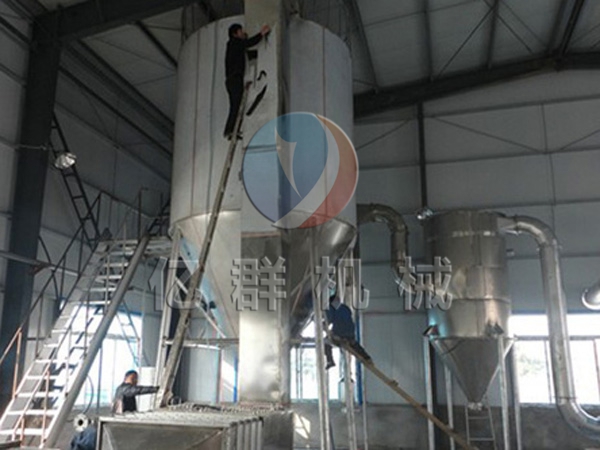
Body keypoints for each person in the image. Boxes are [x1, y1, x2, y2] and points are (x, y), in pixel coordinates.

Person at [223, 22, 271, 139]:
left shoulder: (234, 46)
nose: (243, 33)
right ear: (235, 34)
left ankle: (232, 131)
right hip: (235, 78)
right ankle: (230, 130)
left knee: (236, 105)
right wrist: (261, 33)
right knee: (236, 105)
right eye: (240, 31)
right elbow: (249, 43)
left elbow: (246, 46)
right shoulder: (234, 43)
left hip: (233, 79)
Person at [325, 293, 372, 369]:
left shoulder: (332, 308)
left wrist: (323, 324)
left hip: (339, 333)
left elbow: (329, 319)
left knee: (326, 342)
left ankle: (330, 361)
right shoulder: (345, 307)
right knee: (353, 344)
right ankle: (367, 357)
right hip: (350, 332)